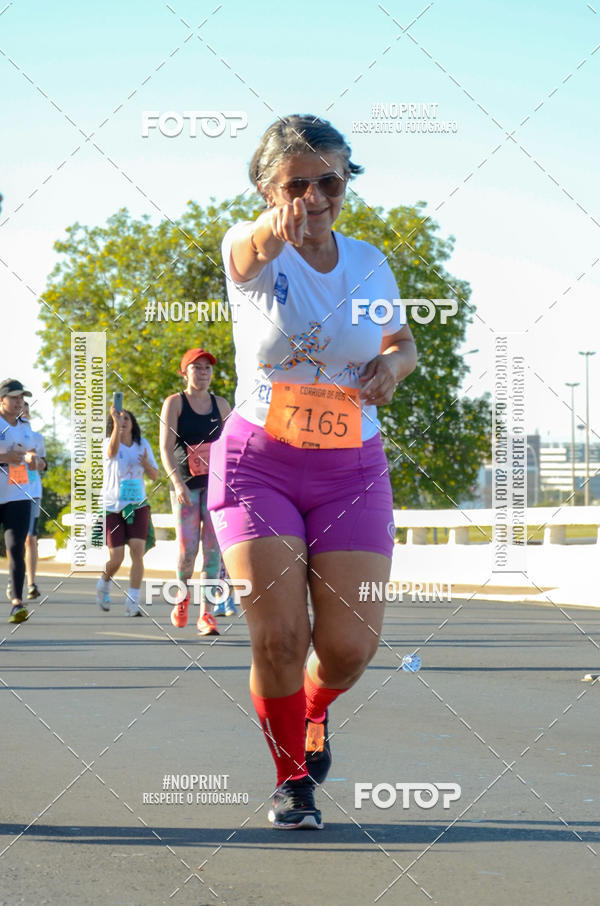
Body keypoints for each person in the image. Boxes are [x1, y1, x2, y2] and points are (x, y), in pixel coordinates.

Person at [208, 115, 417, 829]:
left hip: (350, 466)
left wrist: (392, 365)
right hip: (256, 464)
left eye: (330, 180)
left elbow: (402, 341)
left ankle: (313, 710)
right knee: (278, 637)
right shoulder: (252, 247)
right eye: (298, 184)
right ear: (268, 189)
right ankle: (293, 779)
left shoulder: (368, 261)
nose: (316, 196)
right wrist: (279, 227)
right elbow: (251, 249)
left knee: (349, 649)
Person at [159, 349, 232, 636]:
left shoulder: (222, 405)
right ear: (184, 372)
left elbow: (232, 448)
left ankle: (207, 614)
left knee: (213, 552)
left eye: (207, 368)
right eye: (197, 367)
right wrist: (176, 483)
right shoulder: (174, 403)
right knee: (188, 550)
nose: (203, 372)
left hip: (215, 487)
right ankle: (182, 596)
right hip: (186, 487)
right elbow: (165, 447)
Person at [96, 406, 159, 616]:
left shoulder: (143, 445)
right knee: (117, 558)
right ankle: (104, 582)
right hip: (112, 507)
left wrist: (146, 465)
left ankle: (133, 602)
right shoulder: (108, 442)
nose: (123, 422)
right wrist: (115, 426)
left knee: (137, 552)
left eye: (126, 419)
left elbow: (155, 475)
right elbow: (111, 452)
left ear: (133, 424)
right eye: (118, 419)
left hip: (137, 505)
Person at [0, 379, 40, 623]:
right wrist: (4, 456)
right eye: (14, 397)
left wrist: (33, 459)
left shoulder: (26, 426)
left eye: (22, 398)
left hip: (18, 494)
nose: (19, 402)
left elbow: (33, 453)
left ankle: (17, 602)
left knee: (16, 548)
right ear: (1, 399)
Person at [19, 401, 47, 600]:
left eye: (27, 410)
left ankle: (31, 583)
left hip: (32, 492)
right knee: (15, 541)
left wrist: (36, 461)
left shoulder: (37, 439)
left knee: (30, 538)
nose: (24, 413)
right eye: (20, 408)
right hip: (10, 492)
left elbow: (44, 465)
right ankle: (15, 581)